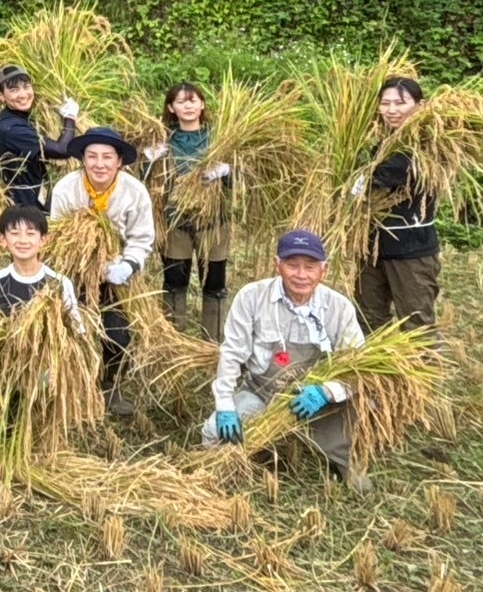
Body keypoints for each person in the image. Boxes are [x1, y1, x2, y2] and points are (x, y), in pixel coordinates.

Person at [202, 229, 370, 492]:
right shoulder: (252, 297)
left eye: (310, 267)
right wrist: (224, 405)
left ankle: (346, 460)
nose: (301, 275)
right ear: (277, 265)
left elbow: (360, 369)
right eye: (292, 265)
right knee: (214, 434)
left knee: (351, 435)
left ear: (323, 271)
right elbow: (232, 353)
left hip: (318, 400)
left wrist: (327, 392)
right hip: (263, 392)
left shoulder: (339, 308)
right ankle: (262, 452)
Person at [48, 125, 155, 417]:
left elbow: (142, 239)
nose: (99, 164)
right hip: (73, 271)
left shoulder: (134, 192)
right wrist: (74, 266)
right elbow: (56, 236)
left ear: (119, 161)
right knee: (68, 327)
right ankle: (71, 384)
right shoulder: (66, 189)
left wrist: (126, 266)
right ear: (83, 158)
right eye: (92, 156)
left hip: (115, 274)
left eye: (107, 157)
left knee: (117, 333)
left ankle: (111, 384)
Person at [143, 82, 232, 341]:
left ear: (202, 104)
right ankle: (173, 337)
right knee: (174, 280)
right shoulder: (162, 138)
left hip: (214, 222)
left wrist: (226, 172)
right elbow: (140, 179)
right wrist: (148, 159)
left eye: (193, 100)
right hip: (175, 222)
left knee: (214, 283)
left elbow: (242, 180)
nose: (188, 106)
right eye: (181, 101)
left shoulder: (221, 136)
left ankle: (212, 340)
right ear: (172, 108)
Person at [353, 77, 440, 334]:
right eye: (385, 103)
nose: (391, 110)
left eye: (400, 103)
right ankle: (374, 372)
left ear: (420, 105)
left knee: (415, 325)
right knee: (369, 318)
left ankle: (419, 372)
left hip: (411, 250)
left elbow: (392, 174)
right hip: (372, 247)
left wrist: (359, 179)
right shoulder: (384, 143)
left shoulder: (429, 143)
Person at [0, 204, 82, 327]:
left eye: (30, 233)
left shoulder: (60, 283)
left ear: (43, 240)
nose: (23, 240)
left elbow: (76, 329)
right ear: (3, 239)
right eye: (15, 233)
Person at [0, 65, 79, 211]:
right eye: (14, 90)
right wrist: (70, 118)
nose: (23, 94)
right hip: (26, 205)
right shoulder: (13, 129)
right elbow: (63, 150)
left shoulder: (17, 117)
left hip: (33, 195)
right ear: (1, 96)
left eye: (26, 87)